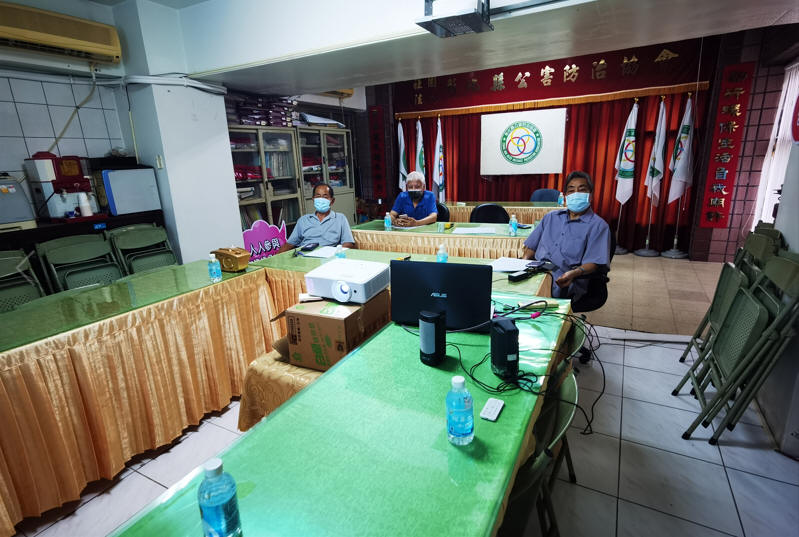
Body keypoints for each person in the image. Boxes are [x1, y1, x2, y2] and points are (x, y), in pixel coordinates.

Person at [522, 171, 610, 301]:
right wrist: (523, 263)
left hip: (565, 278)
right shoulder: (551, 217)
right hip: (537, 271)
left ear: (590, 196)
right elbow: (531, 246)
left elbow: (594, 262)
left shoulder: (598, 226)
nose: (576, 194)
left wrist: (574, 273)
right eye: (571, 190)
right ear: (566, 196)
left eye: (582, 190)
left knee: (528, 300)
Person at [278, 183, 355, 253]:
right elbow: (289, 244)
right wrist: (275, 258)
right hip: (305, 257)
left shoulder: (340, 218)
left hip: (329, 256)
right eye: (318, 196)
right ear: (313, 199)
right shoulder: (303, 220)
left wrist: (335, 254)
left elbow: (348, 243)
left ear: (332, 201)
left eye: (325, 197)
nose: (321, 199)